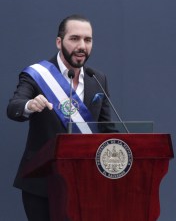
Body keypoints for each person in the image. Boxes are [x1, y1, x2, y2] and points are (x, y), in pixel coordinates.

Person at [7, 14, 113, 221]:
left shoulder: (97, 78)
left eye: (87, 40)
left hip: (87, 182)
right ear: (59, 42)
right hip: (42, 183)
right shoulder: (37, 74)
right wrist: (30, 105)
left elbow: (108, 128)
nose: (82, 45)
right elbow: (14, 107)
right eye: (74, 38)